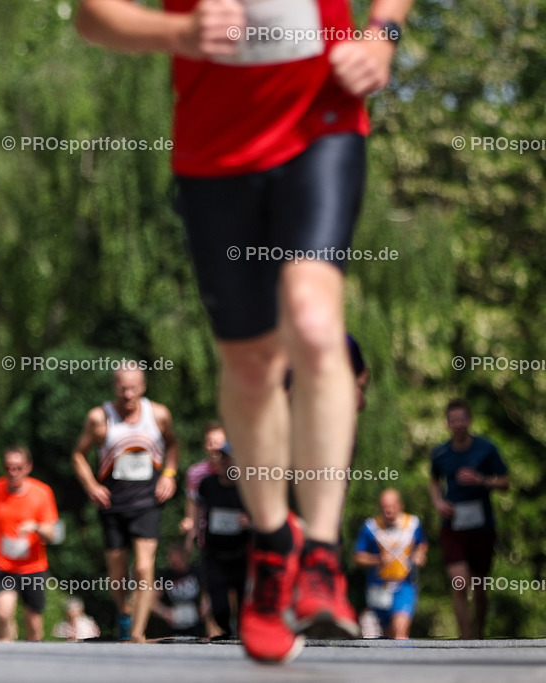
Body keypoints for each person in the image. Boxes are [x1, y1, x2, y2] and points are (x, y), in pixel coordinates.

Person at [76, 0, 414, 662]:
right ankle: (273, 546)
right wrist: (177, 32)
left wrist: (383, 36)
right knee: (253, 361)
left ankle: (320, 553)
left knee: (316, 322)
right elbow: (92, 16)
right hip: (217, 146)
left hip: (324, 119)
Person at [72, 363, 180, 642]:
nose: (128, 394)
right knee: (117, 574)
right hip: (112, 504)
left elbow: (173, 445)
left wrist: (169, 474)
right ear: (114, 387)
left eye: (133, 388)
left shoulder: (158, 414)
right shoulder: (99, 418)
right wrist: (92, 486)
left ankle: (137, 632)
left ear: (143, 387)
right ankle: (124, 610)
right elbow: (78, 455)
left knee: (144, 567)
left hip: (147, 501)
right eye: (122, 388)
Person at [429, 399, 509, 639]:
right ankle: (465, 639)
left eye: (462, 419)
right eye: (453, 420)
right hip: (452, 524)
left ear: (469, 420)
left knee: (480, 586)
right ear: (447, 423)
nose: (458, 424)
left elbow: (505, 482)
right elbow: (433, 481)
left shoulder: (486, 449)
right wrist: (438, 502)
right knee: (459, 582)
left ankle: (479, 634)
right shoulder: (440, 453)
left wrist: (482, 481)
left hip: (482, 524)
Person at [0, 446, 60, 642]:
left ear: (28, 467)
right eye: (8, 468)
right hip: (3, 564)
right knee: (3, 614)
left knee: (33, 625)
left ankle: (32, 664)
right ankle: (4, 656)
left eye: (18, 468)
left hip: (33, 567)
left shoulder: (42, 493)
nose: (13, 473)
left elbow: (52, 535)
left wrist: (36, 527)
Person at [353, 488, 427, 639]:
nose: (389, 512)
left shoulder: (412, 524)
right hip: (378, 587)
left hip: (404, 585)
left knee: (399, 632)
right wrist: (377, 559)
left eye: (392, 507)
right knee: (386, 636)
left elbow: (422, 543)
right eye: (385, 508)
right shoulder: (371, 527)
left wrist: (419, 554)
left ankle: (405, 659)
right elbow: (357, 557)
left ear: (401, 506)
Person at [195, 443, 250, 638]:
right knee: (219, 605)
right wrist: (194, 530)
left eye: (230, 457)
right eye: (223, 457)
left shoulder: (248, 488)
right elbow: (197, 506)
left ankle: (245, 636)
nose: (226, 462)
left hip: (243, 553)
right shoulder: (207, 484)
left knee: (245, 601)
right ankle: (225, 631)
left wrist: (250, 521)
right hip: (215, 553)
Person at [178, 421, 226, 550]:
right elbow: (193, 502)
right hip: (207, 537)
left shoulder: (240, 471)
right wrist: (190, 525)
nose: (214, 447)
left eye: (218, 443)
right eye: (210, 443)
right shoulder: (195, 473)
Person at [152, 544, 205, 638]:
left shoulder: (196, 572)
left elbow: (208, 591)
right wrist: (164, 612)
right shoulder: (165, 576)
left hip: (198, 623)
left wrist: (205, 605)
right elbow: (150, 600)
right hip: (173, 625)